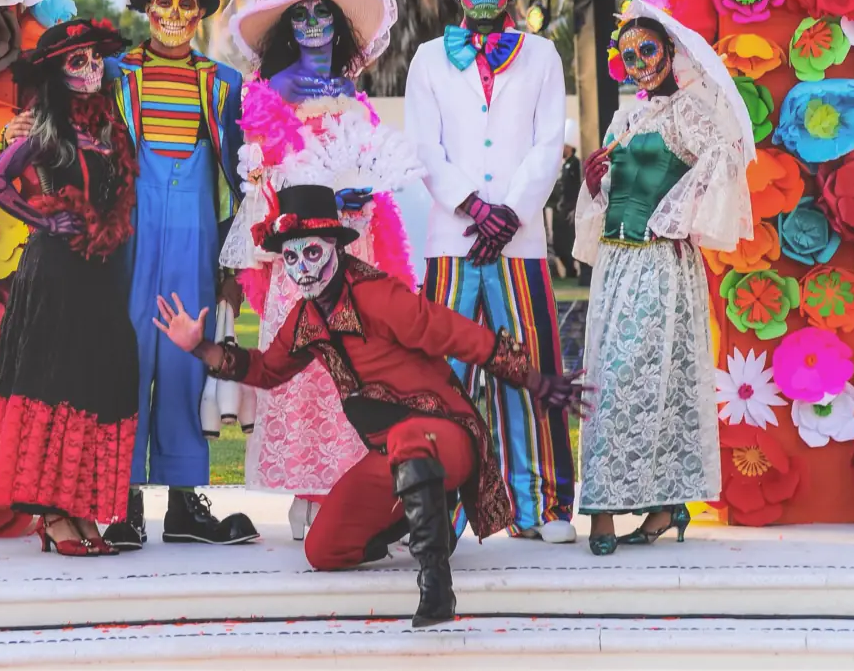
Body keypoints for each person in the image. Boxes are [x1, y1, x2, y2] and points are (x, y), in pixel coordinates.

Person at [156, 184, 584, 627]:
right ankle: (421, 514)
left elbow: (451, 331)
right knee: (323, 550)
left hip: (444, 433)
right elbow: (266, 370)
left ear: (336, 247)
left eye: (313, 253)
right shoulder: (306, 318)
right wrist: (202, 347)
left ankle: (436, 584)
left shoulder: (377, 296)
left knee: (408, 437)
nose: (302, 268)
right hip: (391, 455)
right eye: (291, 257)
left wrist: (535, 379)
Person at [220, 0, 420, 540]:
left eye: (322, 13)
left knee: (358, 367)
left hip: (358, 247)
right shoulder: (270, 93)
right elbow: (261, 176)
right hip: (302, 253)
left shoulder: (351, 93)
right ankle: (306, 492)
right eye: (301, 15)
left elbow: (368, 164)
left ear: (338, 25)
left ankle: (350, 490)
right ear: (289, 28)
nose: (312, 23)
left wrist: (361, 197)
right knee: (306, 367)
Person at [404, 0, 576, 542]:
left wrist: (511, 214)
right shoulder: (427, 59)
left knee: (529, 368)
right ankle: (439, 510)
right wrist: (474, 208)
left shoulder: (543, 55)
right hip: (453, 240)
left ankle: (542, 507)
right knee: (442, 376)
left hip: (519, 242)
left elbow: (549, 143)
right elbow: (424, 146)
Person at [573, 0, 755, 555]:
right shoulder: (626, 119)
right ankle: (653, 506)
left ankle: (616, 510)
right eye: (629, 55)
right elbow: (614, 193)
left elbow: (725, 161)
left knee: (640, 379)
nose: (640, 63)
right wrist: (594, 184)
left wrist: (672, 217)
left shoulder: (690, 113)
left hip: (660, 263)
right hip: (616, 265)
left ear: (670, 52)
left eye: (648, 49)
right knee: (606, 380)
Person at [107, 0, 257, 551]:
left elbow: (243, 179)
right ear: (147, 7)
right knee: (123, 364)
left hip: (195, 242)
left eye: (186, 3)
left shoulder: (223, 84)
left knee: (183, 363)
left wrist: (234, 266)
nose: (173, 13)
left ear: (200, 13)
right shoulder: (114, 75)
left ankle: (183, 505)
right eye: (163, 1)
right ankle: (120, 502)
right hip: (129, 240)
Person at [0, 19, 138, 556]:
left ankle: (80, 506)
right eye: (77, 61)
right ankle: (51, 513)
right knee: (55, 376)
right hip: (55, 272)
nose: (91, 69)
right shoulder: (45, 129)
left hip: (101, 271)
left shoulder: (110, 129)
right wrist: (44, 220)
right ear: (55, 73)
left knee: (95, 376)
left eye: (95, 59)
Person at [549, 136, 582, 282]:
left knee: (567, 241)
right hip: (561, 208)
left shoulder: (575, 164)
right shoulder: (564, 165)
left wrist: (574, 208)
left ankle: (572, 270)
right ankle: (569, 269)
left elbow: (577, 187)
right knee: (558, 242)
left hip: (570, 209)